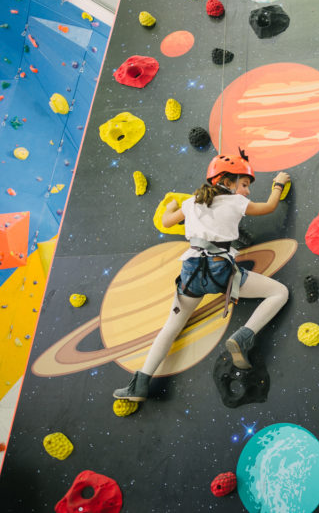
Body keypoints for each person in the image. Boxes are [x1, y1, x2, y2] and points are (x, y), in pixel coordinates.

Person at [114, 149, 290, 402]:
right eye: (244, 184)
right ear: (225, 182)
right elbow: (270, 206)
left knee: (171, 327)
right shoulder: (236, 202)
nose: (247, 191)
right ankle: (244, 336)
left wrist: (172, 205)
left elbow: (166, 221)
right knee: (279, 292)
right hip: (222, 272)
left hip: (191, 274)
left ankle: (139, 384)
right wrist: (279, 183)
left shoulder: (192, 202)